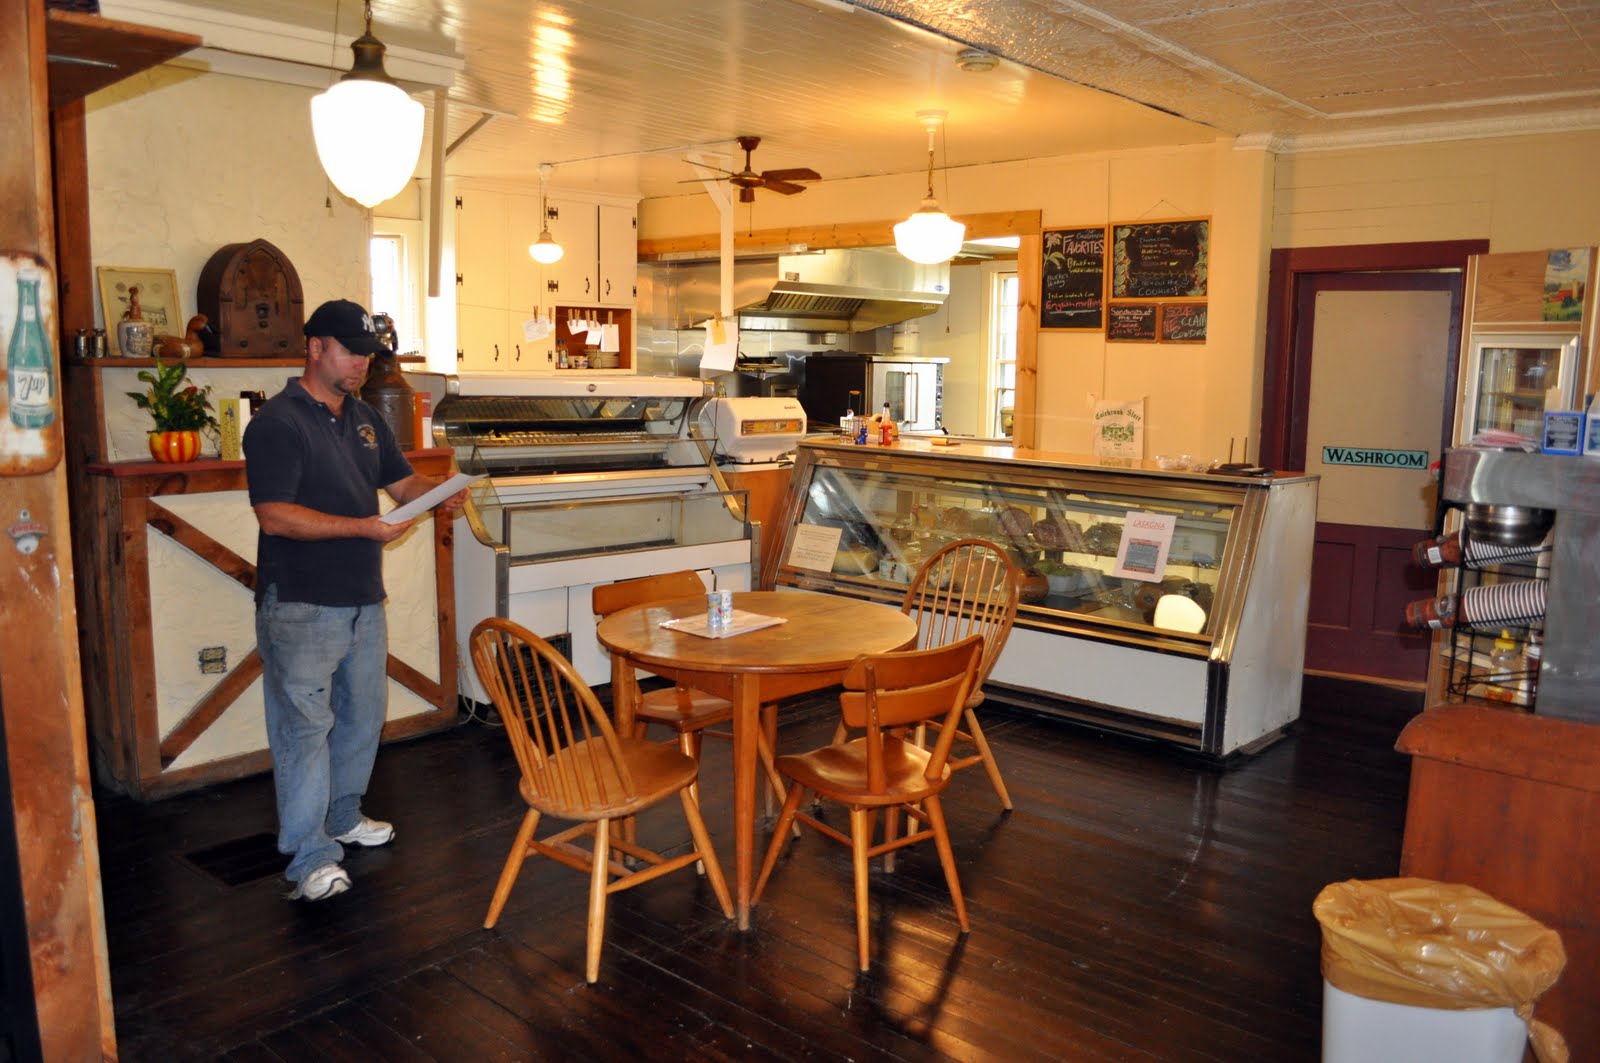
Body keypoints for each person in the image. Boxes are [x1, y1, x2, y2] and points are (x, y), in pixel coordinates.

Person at [244, 298, 465, 902]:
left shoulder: (365, 416)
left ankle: (342, 818)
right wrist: (363, 528)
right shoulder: (277, 423)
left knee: (362, 720)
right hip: (301, 604)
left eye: (369, 353)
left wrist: (439, 492)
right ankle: (309, 859)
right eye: (352, 351)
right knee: (305, 731)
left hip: (364, 598)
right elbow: (275, 515)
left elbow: (401, 484)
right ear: (315, 348)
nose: (363, 363)